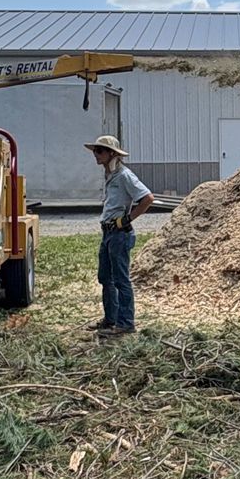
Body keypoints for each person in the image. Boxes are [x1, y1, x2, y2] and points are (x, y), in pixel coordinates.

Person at [87, 134, 152, 336]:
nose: (96, 155)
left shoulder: (124, 176)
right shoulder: (111, 175)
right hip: (108, 232)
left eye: (99, 151)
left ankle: (125, 323)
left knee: (121, 280)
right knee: (105, 277)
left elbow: (147, 198)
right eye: (95, 151)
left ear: (112, 153)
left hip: (119, 234)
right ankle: (110, 319)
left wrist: (127, 219)